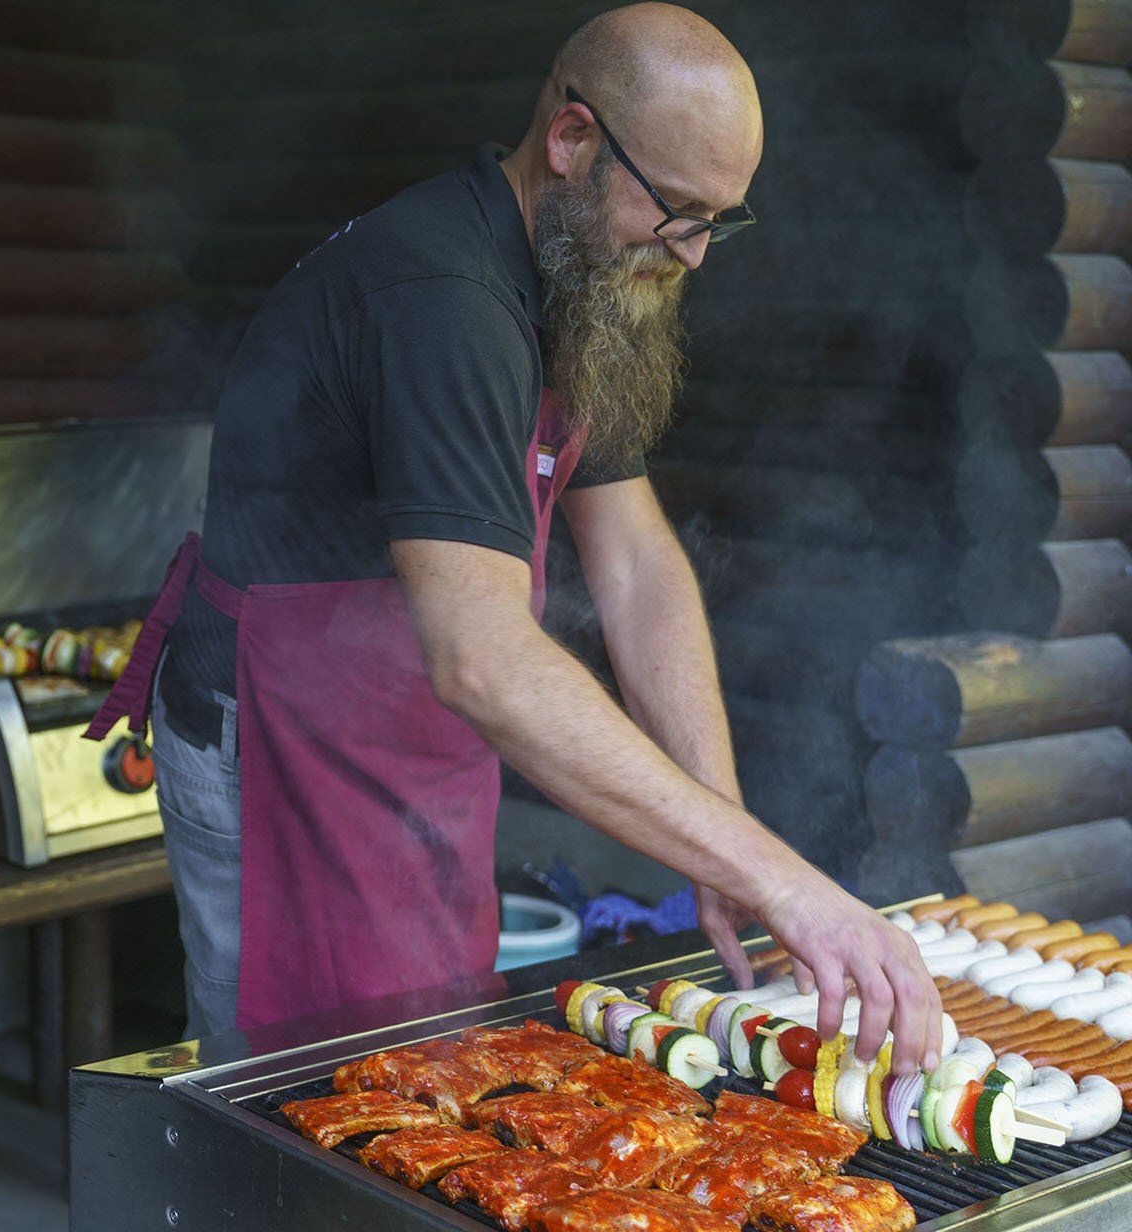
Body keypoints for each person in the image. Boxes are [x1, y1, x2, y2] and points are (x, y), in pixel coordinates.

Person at [87, 2, 940, 1073]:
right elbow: (482, 656)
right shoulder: (444, 298)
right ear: (572, 139)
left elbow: (635, 563)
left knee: (433, 1058)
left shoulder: (583, 277)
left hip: (413, 734)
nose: (696, 253)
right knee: (310, 1093)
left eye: (720, 219)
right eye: (677, 209)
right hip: (283, 732)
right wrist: (783, 878)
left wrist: (723, 829)